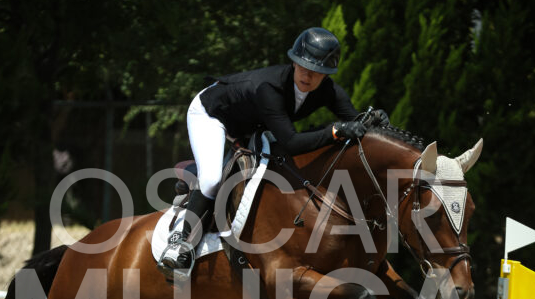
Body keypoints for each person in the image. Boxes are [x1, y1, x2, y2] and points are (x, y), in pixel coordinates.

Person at [158, 26, 389, 276]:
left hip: (252, 122)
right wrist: (334, 131)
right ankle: (180, 243)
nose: (308, 75)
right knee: (212, 179)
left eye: (317, 71)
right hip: (213, 113)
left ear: (326, 75)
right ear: (294, 62)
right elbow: (292, 142)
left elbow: (354, 122)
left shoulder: (329, 91)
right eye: (303, 66)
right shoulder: (270, 88)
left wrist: (374, 122)